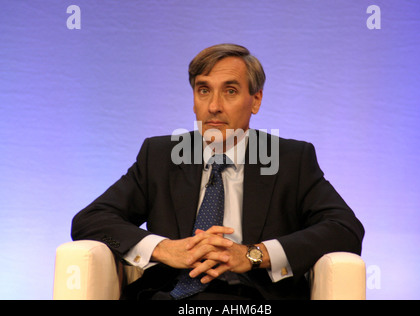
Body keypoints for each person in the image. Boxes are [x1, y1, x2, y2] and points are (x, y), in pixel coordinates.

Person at [71, 43, 364, 300]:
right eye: (203, 90)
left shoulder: (290, 159)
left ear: (256, 100)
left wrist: (253, 255)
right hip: (168, 294)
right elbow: (90, 220)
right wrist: (164, 249)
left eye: (231, 91)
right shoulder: (160, 155)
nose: (213, 106)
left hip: (253, 298)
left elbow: (345, 229)